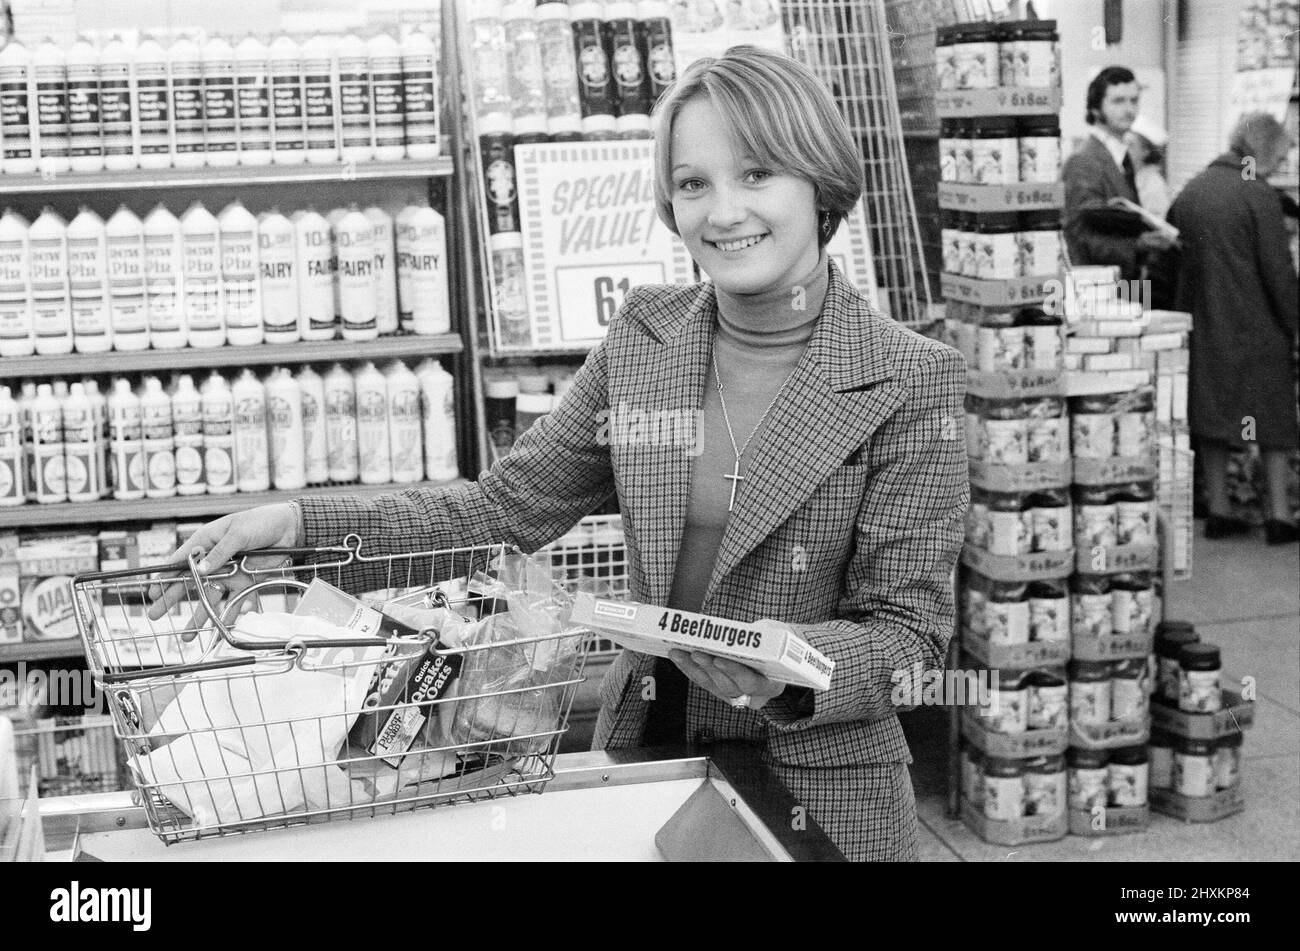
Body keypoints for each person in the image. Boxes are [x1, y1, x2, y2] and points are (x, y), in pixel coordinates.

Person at [148, 46, 969, 861]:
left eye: (756, 175)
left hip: (821, 792)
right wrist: (294, 524)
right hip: (649, 760)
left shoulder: (908, 378)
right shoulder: (648, 339)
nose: (722, 212)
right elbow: (498, 511)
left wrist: (788, 670)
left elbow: (909, 633)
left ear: (820, 183)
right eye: (693, 183)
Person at [1167, 112, 1299, 544]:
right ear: (1262, 152)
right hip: (1258, 329)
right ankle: (1279, 515)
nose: (1281, 165)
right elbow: (1278, 273)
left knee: (1214, 417)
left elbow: (1172, 259)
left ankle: (1220, 510)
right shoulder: (1258, 195)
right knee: (1270, 424)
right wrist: (1295, 323)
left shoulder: (1194, 189)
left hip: (1205, 326)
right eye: (1280, 157)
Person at [1063, 66, 1177, 280]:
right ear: (1096, 108)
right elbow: (1079, 236)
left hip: (1125, 278)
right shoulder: (1084, 160)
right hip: (1098, 283)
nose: (1129, 110)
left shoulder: (1120, 156)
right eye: (1118, 101)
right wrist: (1139, 244)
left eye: (1134, 101)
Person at [1127, 114, 1172, 220]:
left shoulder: (1154, 186)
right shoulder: (1132, 177)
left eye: (1130, 145)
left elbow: (1160, 228)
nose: (1125, 150)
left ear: (1145, 151)